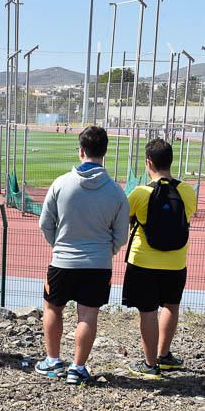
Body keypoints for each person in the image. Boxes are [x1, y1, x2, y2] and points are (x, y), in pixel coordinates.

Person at [37, 126, 129, 384]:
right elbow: (121, 235)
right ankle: (78, 368)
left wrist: (59, 246)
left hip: (62, 261)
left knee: (53, 307)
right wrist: (104, 251)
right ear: (105, 152)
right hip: (98, 264)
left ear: (81, 151)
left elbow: (45, 223)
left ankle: (53, 361)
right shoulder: (116, 191)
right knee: (88, 315)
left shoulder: (61, 183)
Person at [123, 139, 196, 378]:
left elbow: (127, 219)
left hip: (143, 262)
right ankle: (165, 356)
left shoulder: (140, 193)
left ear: (148, 163)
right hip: (176, 262)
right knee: (171, 307)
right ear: (171, 161)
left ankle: (150, 363)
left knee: (148, 312)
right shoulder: (186, 192)